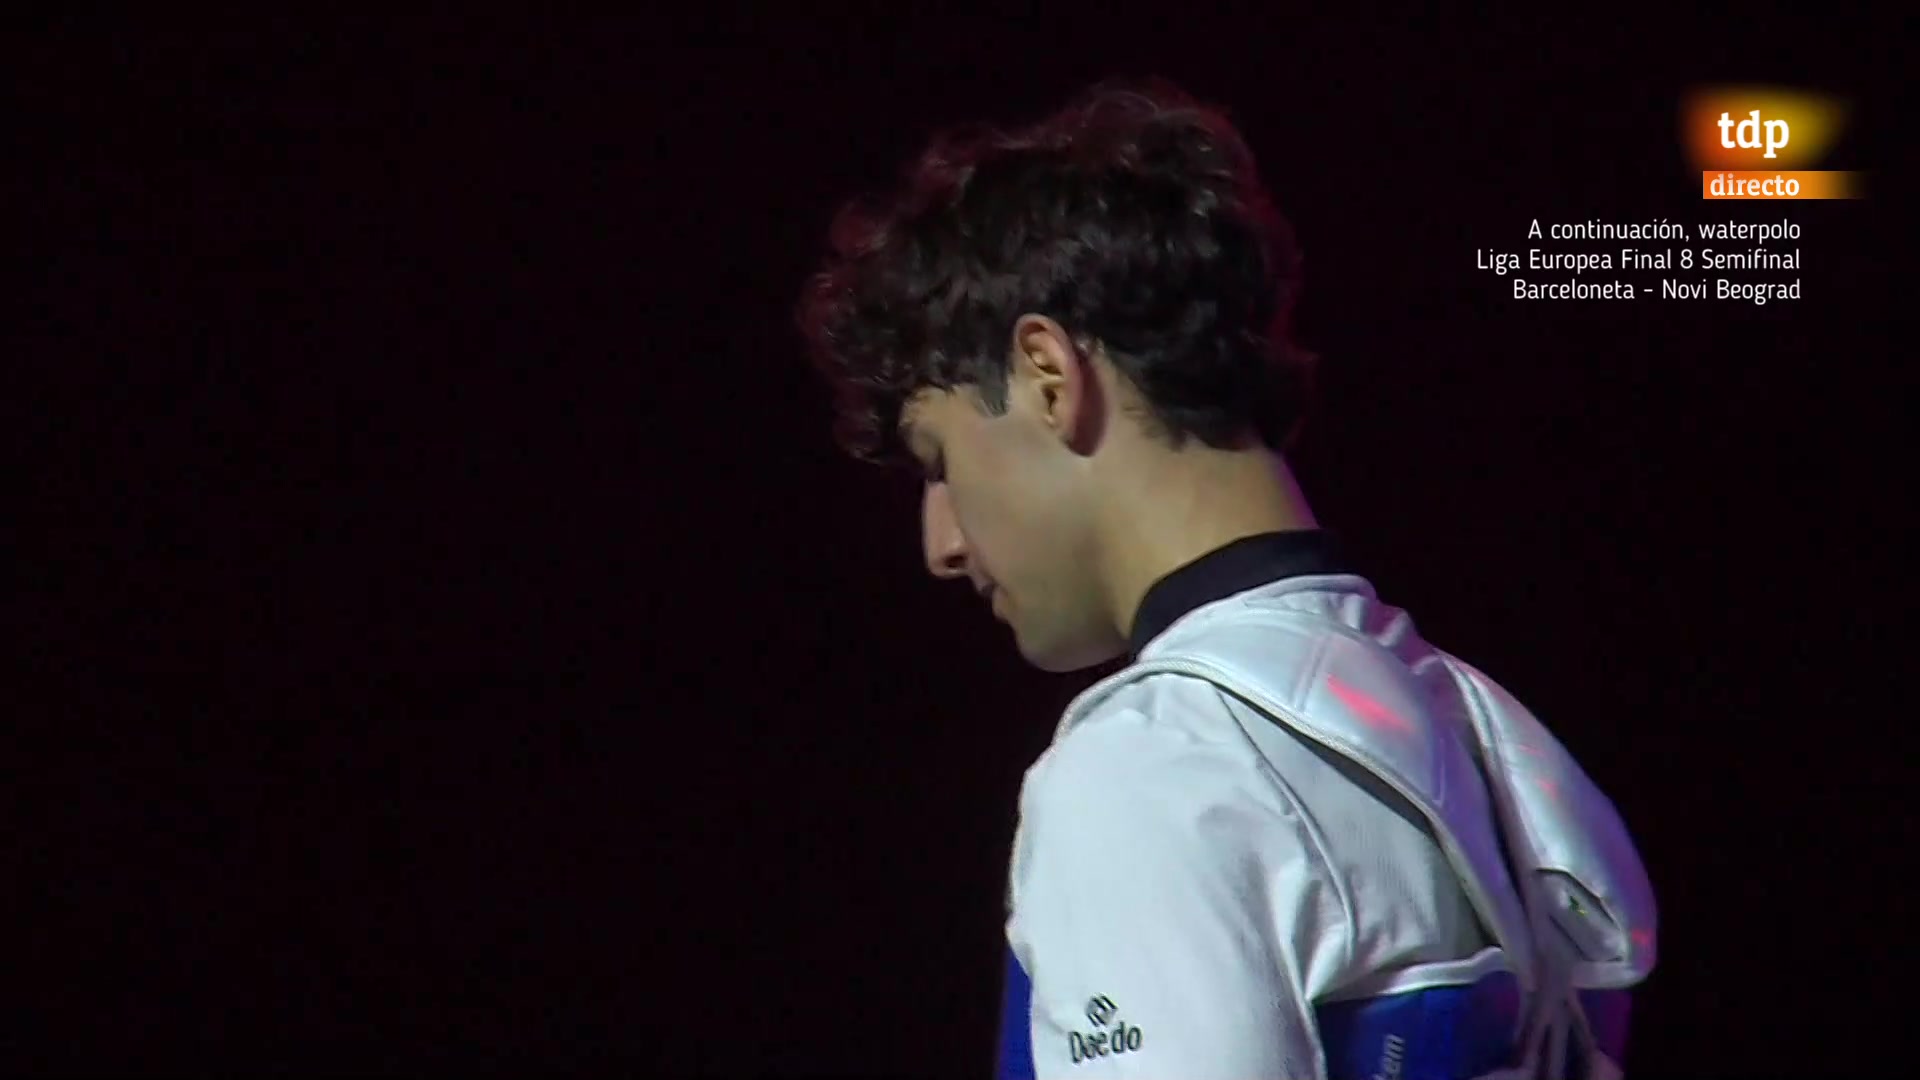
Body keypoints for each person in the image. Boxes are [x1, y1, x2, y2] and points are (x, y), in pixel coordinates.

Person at [795, 78, 1657, 1080]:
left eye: (939, 460)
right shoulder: (1498, 742)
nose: (941, 542)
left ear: (1048, 376)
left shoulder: (1153, 772)